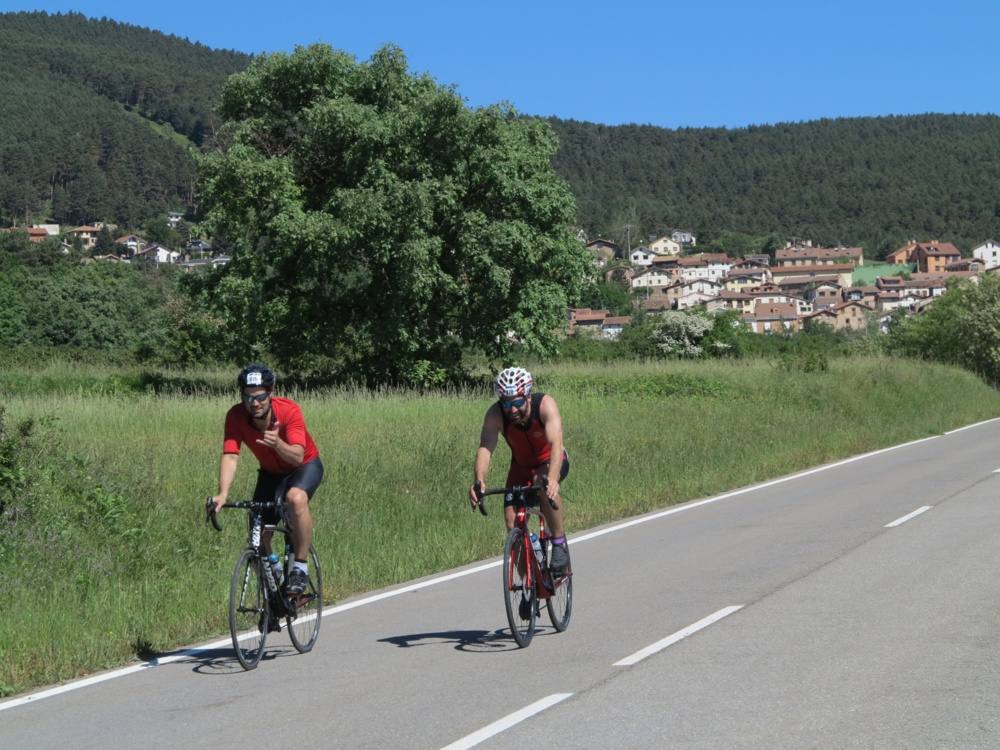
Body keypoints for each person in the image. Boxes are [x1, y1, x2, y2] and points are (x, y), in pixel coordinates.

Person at [210, 363, 323, 595]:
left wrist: (277, 443)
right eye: (248, 397)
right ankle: (273, 569)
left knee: (296, 498)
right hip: (271, 474)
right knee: (258, 532)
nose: (255, 403)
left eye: (260, 396)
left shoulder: (289, 411)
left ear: (270, 394)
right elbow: (231, 455)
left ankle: (300, 568)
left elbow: (297, 455)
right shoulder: (235, 416)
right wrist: (222, 493)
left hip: (303, 466)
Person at [469, 366, 571, 572]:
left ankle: (559, 543)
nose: (512, 410)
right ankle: (528, 587)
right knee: (511, 521)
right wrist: (479, 480)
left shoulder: (545, 405)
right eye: (506, 403)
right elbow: (485, 448)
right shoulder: (496, 414)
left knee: (542, 485)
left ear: (528, 396)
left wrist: (552, 478)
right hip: (521, 467)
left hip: (551, 460)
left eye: (517, 402)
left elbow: (555, 445)